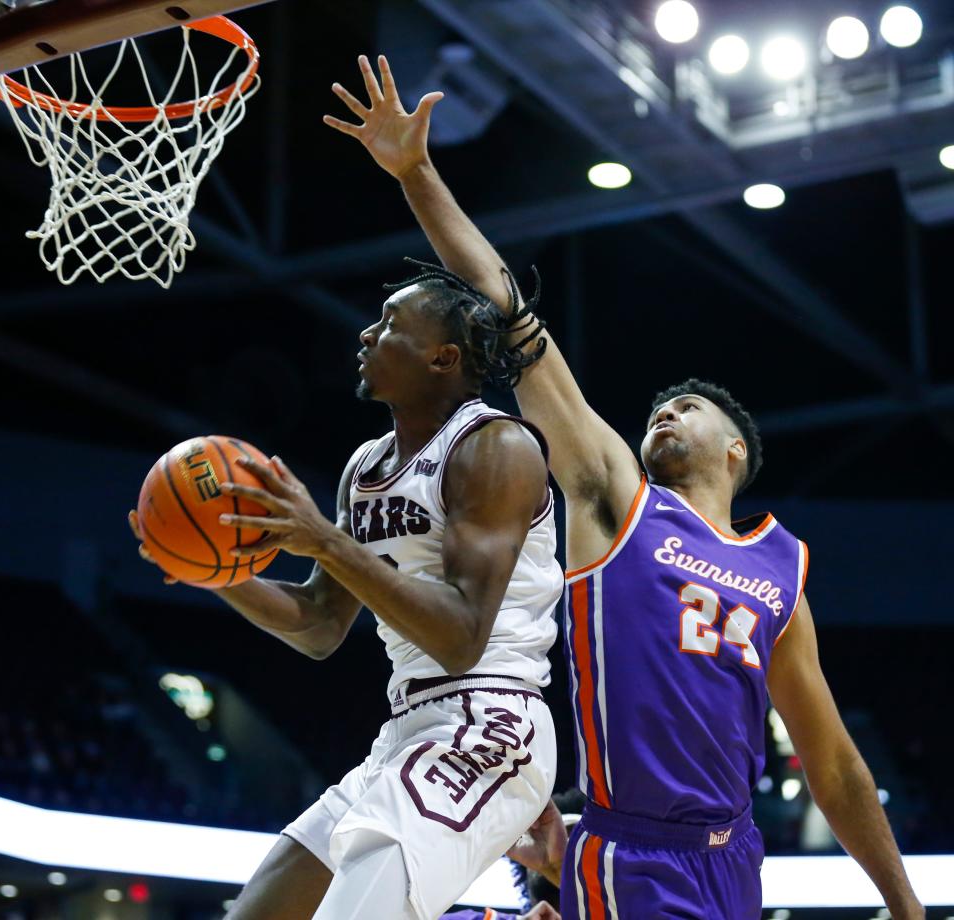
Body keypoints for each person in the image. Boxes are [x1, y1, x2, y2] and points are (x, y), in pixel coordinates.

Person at [324, 55, 924, 920]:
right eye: (659, 408)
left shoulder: (779, 572)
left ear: (736, 456)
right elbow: (506, 310)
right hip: (630, 847)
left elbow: (832, 764)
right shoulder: (618, 504)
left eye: (689, 408)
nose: (667, 414)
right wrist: (417, 173)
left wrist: (906, 907)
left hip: (734, 856)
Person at [129, 264, 564, 918]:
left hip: (490, 719)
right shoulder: (365, 468)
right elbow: (318, 624)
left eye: (391, 325)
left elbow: (460, 638)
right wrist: (214, 573)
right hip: (408, 728)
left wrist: (327, 541)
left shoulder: (496, 446)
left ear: (443, 358)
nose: (365, 334)